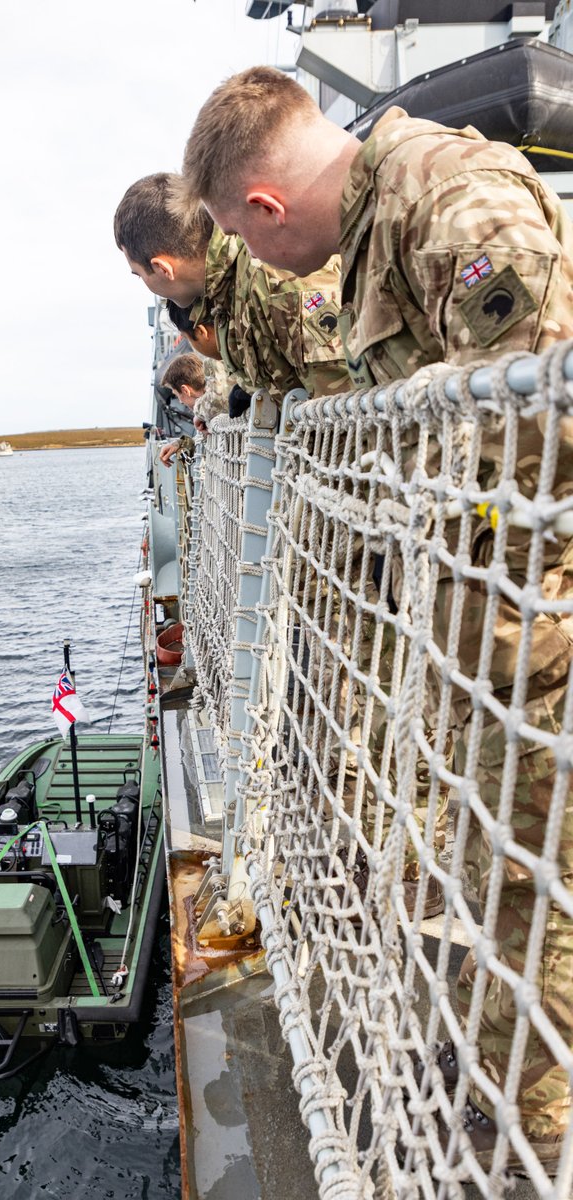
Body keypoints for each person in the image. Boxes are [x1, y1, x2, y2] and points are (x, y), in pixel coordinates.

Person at [180, 65, 573, 1166]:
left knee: (533, 890)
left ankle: (537, 1133)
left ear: (260, 207)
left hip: (539, 631)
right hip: (493, 630)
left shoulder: (451, 198)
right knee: (505, 877)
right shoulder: (380, 225)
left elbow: (542, 405)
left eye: (243, 240)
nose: (256, 268)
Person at [114, 172, 349, 405]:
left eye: (139, 274)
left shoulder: (274, 280)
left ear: (163, 269)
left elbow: (341, 404)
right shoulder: (227, 296)